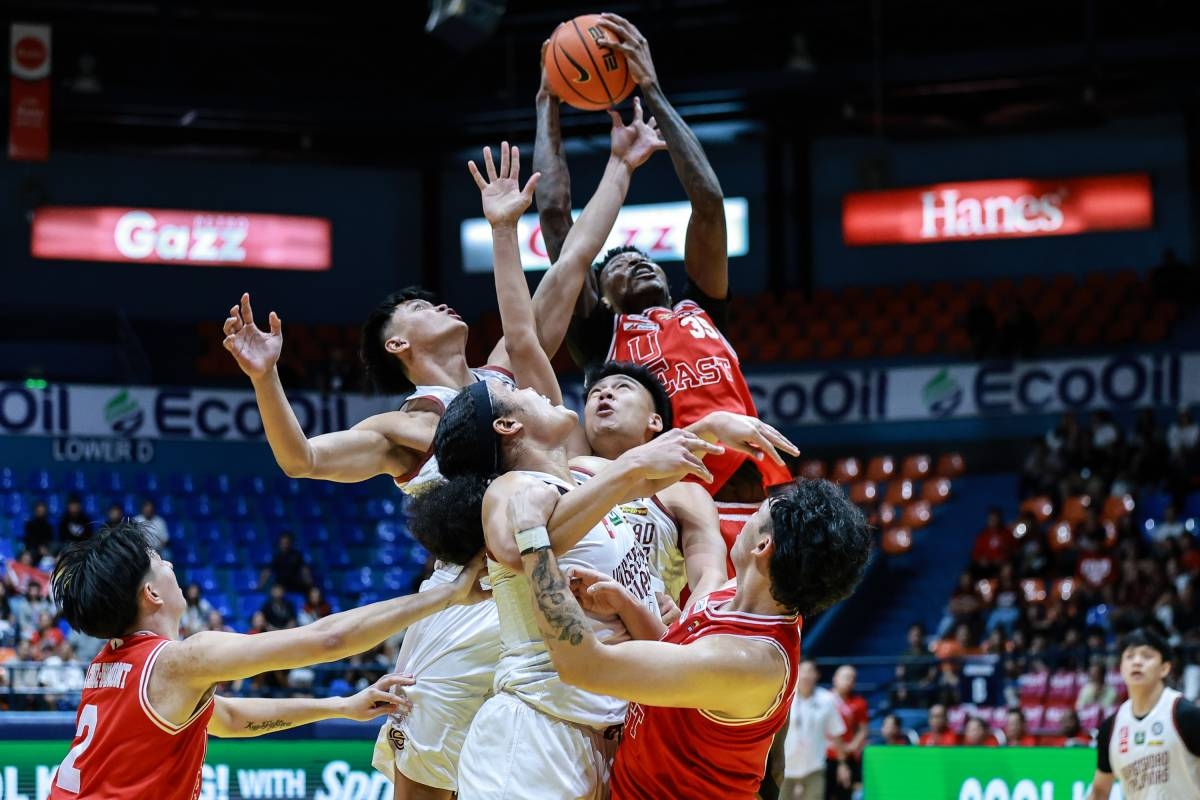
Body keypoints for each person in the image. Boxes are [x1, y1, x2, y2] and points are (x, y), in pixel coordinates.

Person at [366, 125, 668, 800]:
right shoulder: (420, 421)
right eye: (419, 307)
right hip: (466, 614)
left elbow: (557, 284)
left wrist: (615, 169)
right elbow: (301, 458)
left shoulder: (524, 409)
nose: (542, 383)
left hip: (547, 655)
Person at [533, 13, 791, 506]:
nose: (636, 264)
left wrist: (650, 88)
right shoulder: (598, 335)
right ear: (602, 296)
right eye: (617, 268)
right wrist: (547, 102)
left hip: (747, 492)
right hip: (658, 507)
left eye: (644, 260)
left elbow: (709, 204)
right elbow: (553, 214)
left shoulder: (701, 311)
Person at [45, 520, 490, 799]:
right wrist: (446, 596)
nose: (171, 567)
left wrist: (340, 706)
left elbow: (229, 718)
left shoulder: (111, 665)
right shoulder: (181, 661)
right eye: (159, 561)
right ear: (152, 593)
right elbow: (328, 639)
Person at [508, 476, 872, 799]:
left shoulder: (746, 661)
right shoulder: (742, 594)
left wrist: (532, 537)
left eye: (755, 517)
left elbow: (583, 665)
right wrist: (627, 605)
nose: (744, 523)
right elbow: (679, 663)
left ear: (763, 548)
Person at [580, 361, 797, 606]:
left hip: (646, 636)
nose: (605, 393)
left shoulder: (686, 494)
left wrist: (685, 623)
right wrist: (710, 425)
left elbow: (709, 577)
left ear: (655, 421)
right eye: (596, 392)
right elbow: (529, 347)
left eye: (622, 387)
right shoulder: (567, 470)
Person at [1088, 628, 1200, 799]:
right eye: (1130, 656)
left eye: (1146, 656)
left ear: (1164, 668)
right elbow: (1100, 791)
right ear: (1121, 668)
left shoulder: (1185, 715)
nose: (1137, 662)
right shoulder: (1110, 729)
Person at [780, 659, 849, 800]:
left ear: (817, 675)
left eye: (810, 671)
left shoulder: (827, 700)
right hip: (784, 768)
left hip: (815, 768)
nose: (805, 675)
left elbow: (837, 734)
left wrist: (843, 764)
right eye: (802, 671)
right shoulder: (784, 698)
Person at [828, 664, 869, 799]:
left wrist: (852, 746)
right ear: (835, 678)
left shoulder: (859, 703)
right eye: (846, 677)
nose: (849, 681)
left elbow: (863, 730)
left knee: (844, 794)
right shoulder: (823, 699)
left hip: (848, 755)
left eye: (853, 679)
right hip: (825, 755)